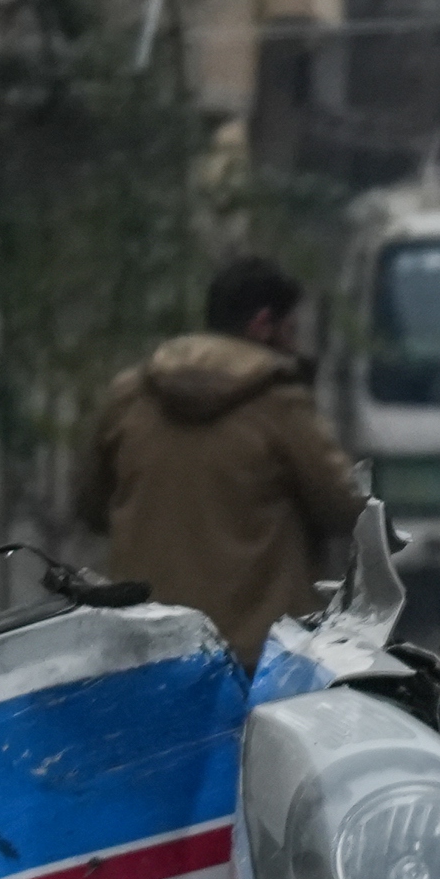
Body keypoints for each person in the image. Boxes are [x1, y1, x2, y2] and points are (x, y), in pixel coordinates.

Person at [75, 254, 366, 662]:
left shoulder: (130, 394)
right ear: (263, 325)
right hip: (254, 655)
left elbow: (90, 505)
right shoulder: (278, 402)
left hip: (145, 649)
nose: (295, 345)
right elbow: (343, 506)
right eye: (290, 330)